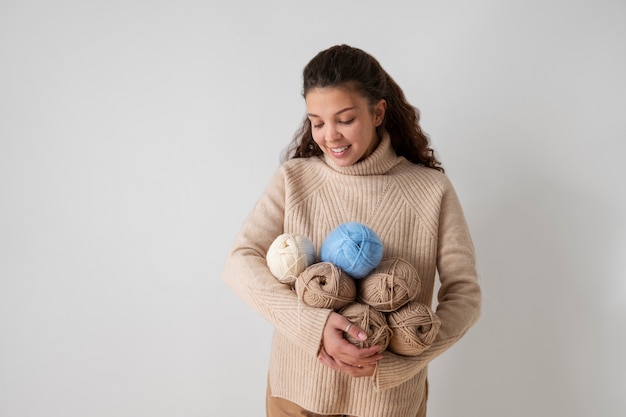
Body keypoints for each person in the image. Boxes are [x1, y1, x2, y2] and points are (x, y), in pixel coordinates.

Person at [222, 44, 481, 417]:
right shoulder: (294, 179)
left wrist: (398, 363)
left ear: (377, 112)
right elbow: (239, 262)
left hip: (389, 404)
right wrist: (315, 326)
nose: (330, 136)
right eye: (318, 121)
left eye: (345, 119)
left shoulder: (431, 190)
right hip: (296, 397)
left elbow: (465, 296)